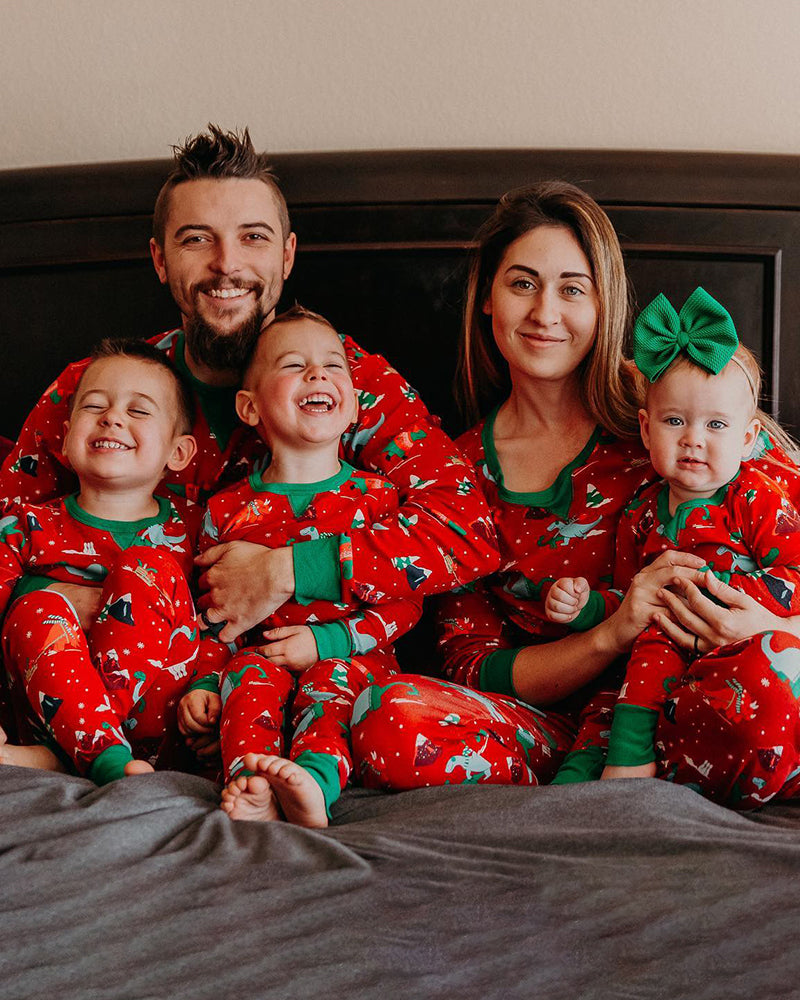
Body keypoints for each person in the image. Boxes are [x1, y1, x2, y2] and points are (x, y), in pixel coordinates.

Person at [0, 124, 498, 708]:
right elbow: (11, 527)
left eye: (253, 238)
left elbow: (467, 528)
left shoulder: (343, 382)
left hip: (301, 698)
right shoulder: (95, 392)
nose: (226, 264)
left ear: (287, 255)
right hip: (108, 697)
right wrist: (78, 597)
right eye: (196, 240)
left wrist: (291, 570)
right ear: (160, 259)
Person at [349, 182, 800, 810]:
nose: (544, 313)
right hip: (556, 731)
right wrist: (610, 634)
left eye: (572, 288)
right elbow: (471, 664)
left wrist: (774, 624)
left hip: (704, 698)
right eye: (522, 283)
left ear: (603, 304)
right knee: (387, 719)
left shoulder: (683, 412)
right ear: (487, 298)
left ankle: (647, 782)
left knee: (775, 671)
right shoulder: (454, 473)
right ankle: (590, 788)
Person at [546, 288, 800, 791]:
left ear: (748, 439)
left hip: (740, 642)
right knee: (610, 701)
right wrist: (586, 607)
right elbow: (629, 599)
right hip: (658, 655)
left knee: (665, 647)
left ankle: (629, 772)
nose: (693, 438)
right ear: (645, 428)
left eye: (716, 425)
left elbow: (797, 571)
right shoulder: (641, 513)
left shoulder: (755, 496)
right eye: (675, 421)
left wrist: (727, 598)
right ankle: (576, 796)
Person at [179, 306, 422, 826]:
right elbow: (211, 613)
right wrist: (203, 682)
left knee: (329, 684)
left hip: (352, 660)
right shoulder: (226, 508)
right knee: (244, 676)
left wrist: (326, 644)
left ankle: (314, 781)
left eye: (333, 366)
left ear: (354, 406)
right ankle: (251, 784)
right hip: (258, 658)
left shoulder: (376, 499)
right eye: (293, 366)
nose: (317, 374)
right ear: (249, 407)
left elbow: (406, 604)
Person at [0, 339, 200, 784]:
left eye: (140, 411)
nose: (113, 417)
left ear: (178, 453)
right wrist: (44, 598)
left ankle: (77, 752)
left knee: (148, 566)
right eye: (95, 405)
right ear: (67, 438)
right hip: (44, 715)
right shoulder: (26, 526)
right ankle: (100, 756)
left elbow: (220, 620)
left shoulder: (198, 528)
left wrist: (208, 689)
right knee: (37, 607)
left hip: (160, 721)